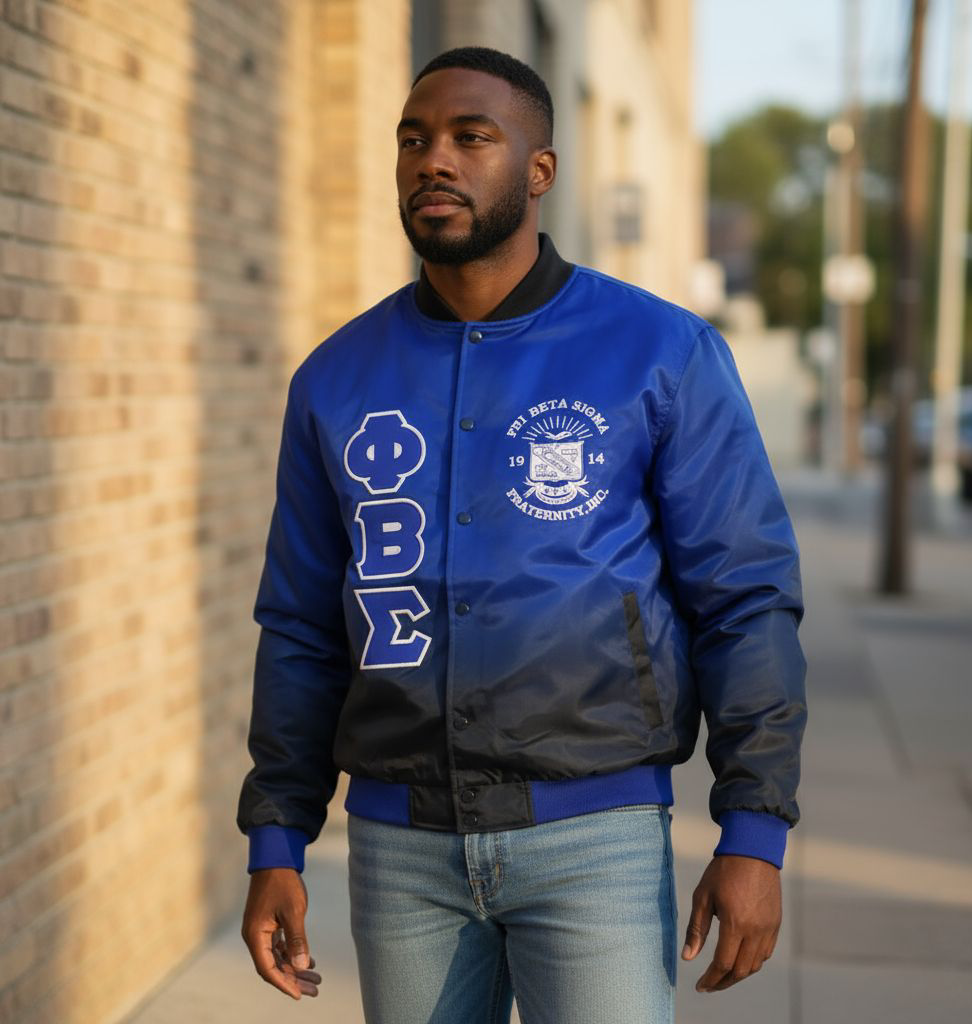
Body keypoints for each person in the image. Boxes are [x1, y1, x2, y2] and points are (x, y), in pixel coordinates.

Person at [238, 46, 807, 1024]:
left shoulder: (660, 352)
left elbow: (744, 598)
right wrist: (276, 839)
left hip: (596, 836)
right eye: (413, 140)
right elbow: (299, 625)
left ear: (538, 172)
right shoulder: (334, 378)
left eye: (471, 137)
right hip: (399, 846)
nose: (434, 161)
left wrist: (752, 829)